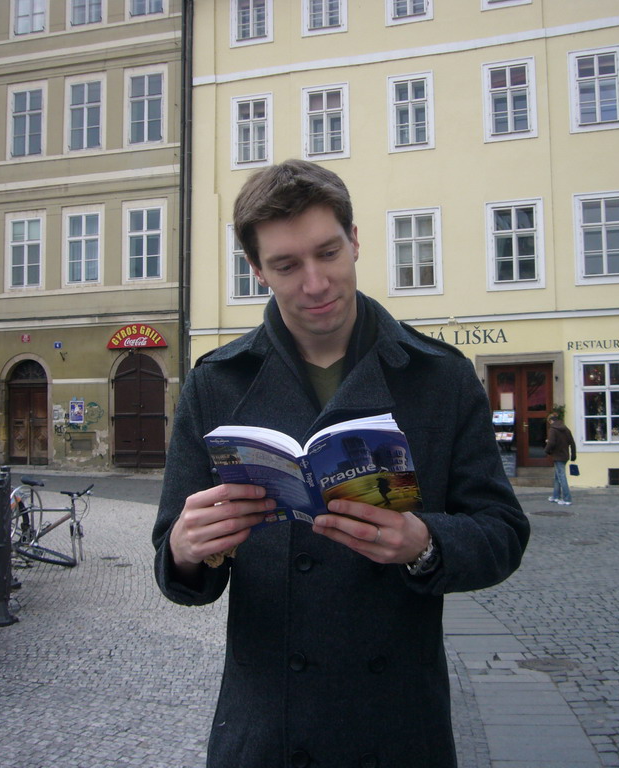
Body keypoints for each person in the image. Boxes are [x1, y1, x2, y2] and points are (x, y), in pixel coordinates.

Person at [152, 159, 530, 768]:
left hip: (397, 724)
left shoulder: (441, 377)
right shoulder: (215, 384)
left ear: (355, 241)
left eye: (328, 252)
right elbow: (178, 572)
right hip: (268, 725)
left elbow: (503, 533)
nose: (316, 282)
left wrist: (425, 544)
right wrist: (186, 547)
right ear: (256, 271)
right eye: (286, 265)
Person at [544, 411, 576, 506]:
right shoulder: (566, 429)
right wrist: (573, 455)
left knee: (561, 477)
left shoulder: (553, 430)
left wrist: (546, 451)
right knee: (557, 477)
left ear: (550, 421)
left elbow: (552, 443)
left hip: (557, 456)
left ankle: (567, 498)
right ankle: (555, 496)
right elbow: (572, 443)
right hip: (565, 455)